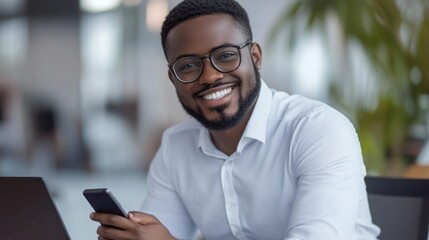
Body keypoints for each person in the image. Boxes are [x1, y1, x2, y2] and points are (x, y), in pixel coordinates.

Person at [90, 0, 381, 239]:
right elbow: (160, 232)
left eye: (226, 55)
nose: (210, 76)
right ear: (173, 79)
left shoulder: (319, 131)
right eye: (188, 66)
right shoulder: (175, 147)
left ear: (255, 57)